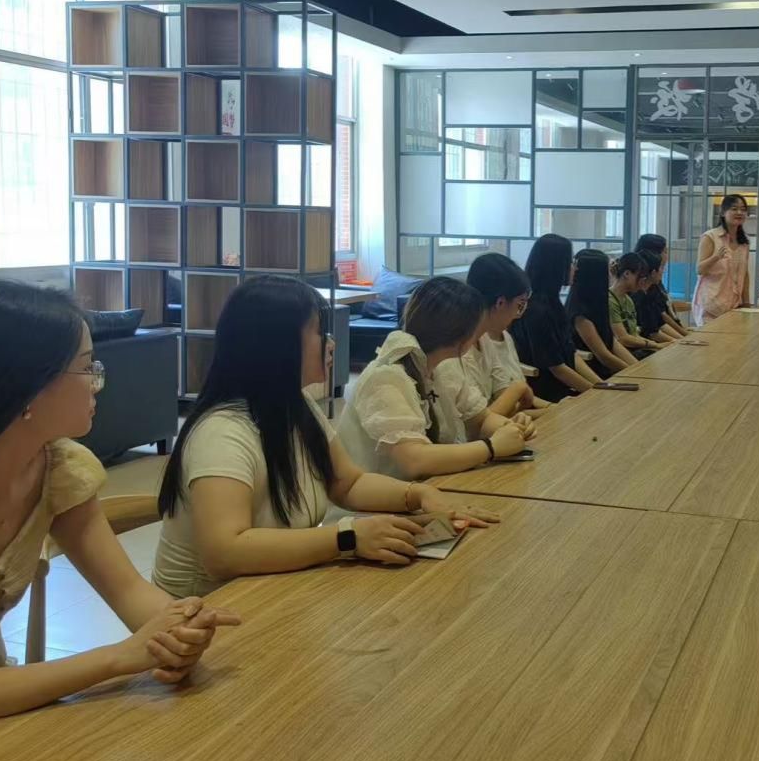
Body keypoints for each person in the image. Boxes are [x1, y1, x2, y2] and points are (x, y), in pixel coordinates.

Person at [0, 280, 239, 721]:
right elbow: (123, 653)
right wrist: (116, 658)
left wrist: (179, 628)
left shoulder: (58, 470)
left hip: (1, 711)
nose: (98, 383)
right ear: (25, 387)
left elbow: (128, 591)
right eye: (86, 367)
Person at [154, 276, 498, 600]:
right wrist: (346, 538)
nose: (330, 344)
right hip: (210, 607)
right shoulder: (222, 432)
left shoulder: (296, 404)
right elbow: (224, 553)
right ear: (278, 345)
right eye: (319, 332)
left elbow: (348, 483)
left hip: (276, 589)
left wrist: (418, 495)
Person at [339, 276, 533, 481]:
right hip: (383, 497)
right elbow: (414, 461)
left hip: (426, 488)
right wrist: (491, 447)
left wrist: (510, 429)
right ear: (463, 335)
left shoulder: (444, 366)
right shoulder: (385, 377)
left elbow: (480, 419)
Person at [445, 252, 551, 419]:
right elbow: (479, 422)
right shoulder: (456, 352)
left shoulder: (485, 338)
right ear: (500, 303)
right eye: (519, 305)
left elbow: (506, 401)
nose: (518, 315)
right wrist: (518, 388)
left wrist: (553, 410)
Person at [510, 234, 601, 400]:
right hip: (546, 394)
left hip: (564, 388)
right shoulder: (536, 311)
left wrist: (600, 386)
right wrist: (595, 394)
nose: (575, 268)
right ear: (557, 266)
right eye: (571, 262)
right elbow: (557, 368)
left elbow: (571, 354)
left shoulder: (553, 303)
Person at [566, 249, 637, 374]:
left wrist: (637, 367)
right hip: (596, 373)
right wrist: (633, 373)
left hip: (610, 370)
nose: (610, 274)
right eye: (607, 271)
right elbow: (603, 356)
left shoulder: (599, 303)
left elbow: (612, 342)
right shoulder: (580, 315)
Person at [691, 194, 751, 326]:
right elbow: (699, 269)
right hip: (710, 306)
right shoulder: (710, 237)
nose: (739, 212)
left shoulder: (744, 242)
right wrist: (716, 257)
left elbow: (745, 274)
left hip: (734, 305)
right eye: (734, 209)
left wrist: (746, 303)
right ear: (723, 212)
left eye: (743, 209)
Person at [610, 252, 668, 356]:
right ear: (627, 274)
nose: (643, 282)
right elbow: (623, 338)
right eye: (641, 277)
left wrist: (658, 345)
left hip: (633, 351)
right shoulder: (610, 300)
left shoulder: (628, 300)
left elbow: (634, 335)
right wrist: (655, 345)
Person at [635, 234, 689, 337]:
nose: (667, 255)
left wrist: (683, 334)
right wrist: (681, 337)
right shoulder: (640, 291)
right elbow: (660, 320)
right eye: (665, 251)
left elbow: (664, 313)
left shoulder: (655, 283)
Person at [633, 249, 683, 342]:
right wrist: (678, 342)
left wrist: (682, 339)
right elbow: (652, 334)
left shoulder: (651, 291)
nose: (663, 271)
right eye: (661, 268)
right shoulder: (637, 296)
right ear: (653, 273)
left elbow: (661, 324)